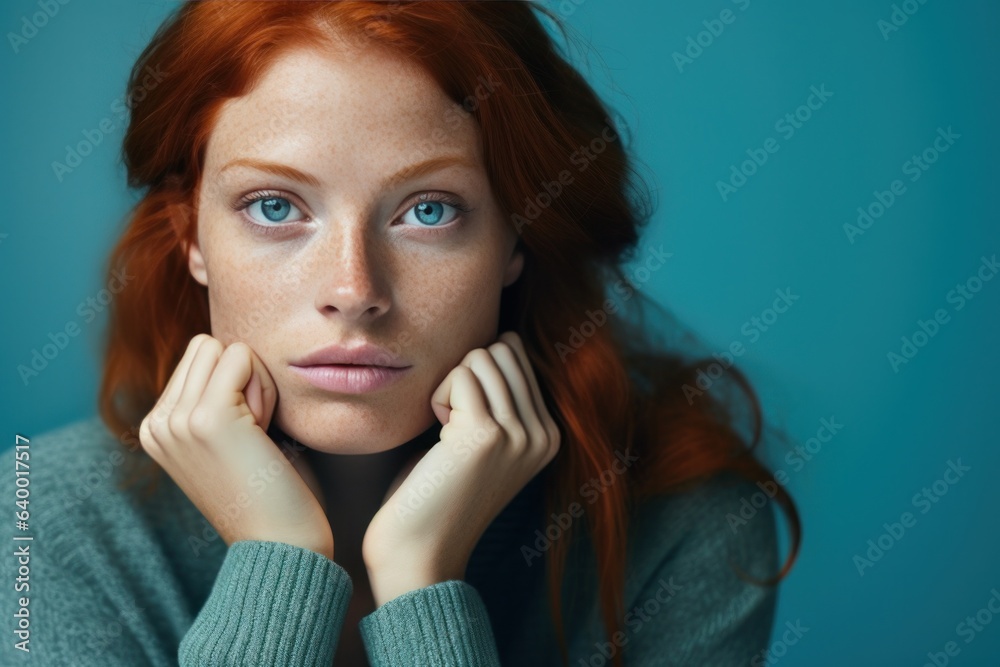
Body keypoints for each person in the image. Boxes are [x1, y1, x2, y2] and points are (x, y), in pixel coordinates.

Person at [0, 2, 801, 665]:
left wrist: (422, 584)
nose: (354, 291)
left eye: (429, 210)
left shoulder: (684, 524)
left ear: (516, 237)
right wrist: (278, 561)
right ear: (193, 238)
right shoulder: (38, 524)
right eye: (275, 207)